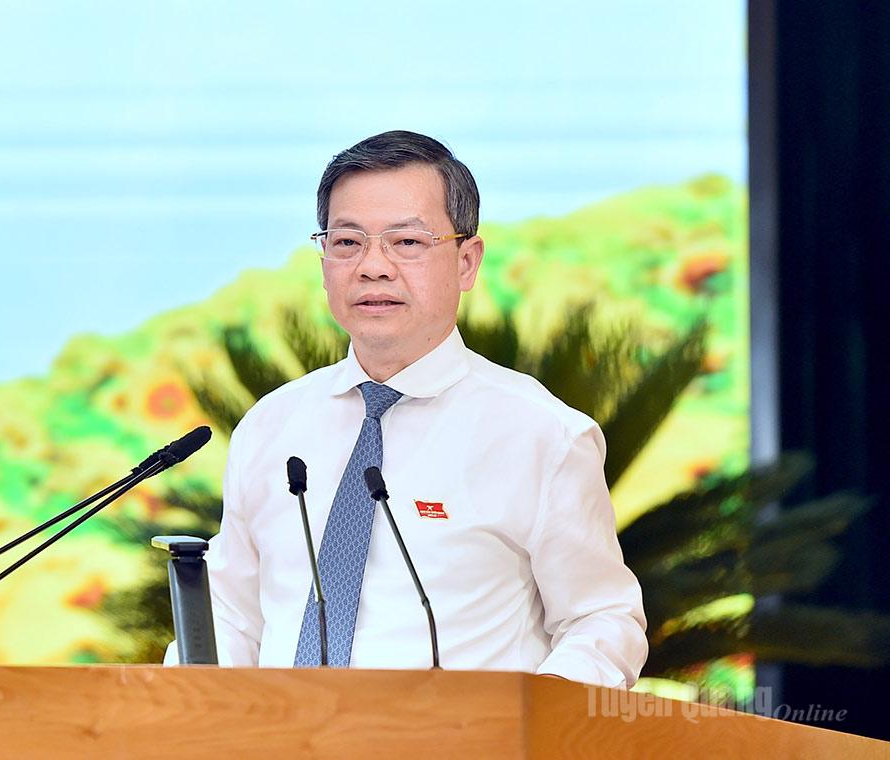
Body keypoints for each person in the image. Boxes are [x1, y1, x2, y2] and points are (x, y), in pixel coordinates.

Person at [176, 130, 647, 688]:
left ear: (466, 262)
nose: (372, 267)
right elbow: (230, 618)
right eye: (347, 242)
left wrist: (534, 721)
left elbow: (601, 619)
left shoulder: (541, 433)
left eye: (406, 242)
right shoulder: (272, 425)